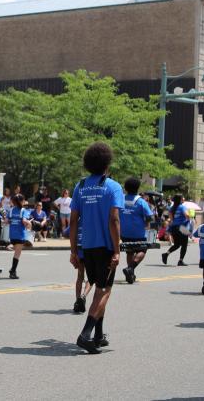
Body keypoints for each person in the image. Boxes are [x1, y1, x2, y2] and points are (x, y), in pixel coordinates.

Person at [70, 142, 124, 354]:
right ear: (107, 163)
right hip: (105, 247)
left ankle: (99, 335)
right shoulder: (112, 187)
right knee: (104, 291)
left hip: (87, 246)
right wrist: (117, 250)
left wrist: (74, 251)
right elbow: (114, 220)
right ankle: (85, 334)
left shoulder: (80, 186)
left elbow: (73, 221)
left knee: (99, 287)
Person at [119, 177, 154, 284]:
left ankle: (131, 274)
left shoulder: (121, 199)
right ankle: (130, 268)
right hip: (139, 233)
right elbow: (149, 217)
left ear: (125, 188)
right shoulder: (141, 202)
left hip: (124, 232)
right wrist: (147, 225)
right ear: (138, 188)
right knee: (142, 250)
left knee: (129, 252)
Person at [161, 195, 190, 266]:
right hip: (182, 227)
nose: (183, 199)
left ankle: (166, 254)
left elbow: (171, 219)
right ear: (180, 200)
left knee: (177, 244)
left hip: (174, 227)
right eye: (182, 198)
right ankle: (181, 260)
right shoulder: (182, 207)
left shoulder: (172, 208)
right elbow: (187, 215)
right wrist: (189, 218)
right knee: (184, 245)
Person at [8, 194, 30, 280]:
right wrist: (29, 223)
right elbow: (24, 221)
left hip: (12, 234)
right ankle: (13, 271)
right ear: (21, 201)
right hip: (20, 234)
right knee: (17, 253)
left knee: (16, 251)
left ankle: (13, 270)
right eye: (23, 200)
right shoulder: (24, 210)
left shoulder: (11, 210)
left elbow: (7, 220)